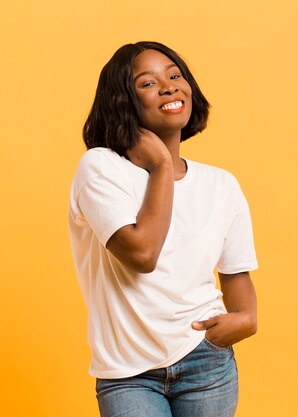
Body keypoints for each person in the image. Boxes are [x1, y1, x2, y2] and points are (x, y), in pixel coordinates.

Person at [68, 41, 259, 417]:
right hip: (129, 373)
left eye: (175, 75)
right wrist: (160, 165)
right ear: (123, 100)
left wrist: (246, 318)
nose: (170, 86)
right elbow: (142, 254)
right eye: (148, 83)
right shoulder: (101, 168)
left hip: (206, 362)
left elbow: (236, 272)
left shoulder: (221, 184)